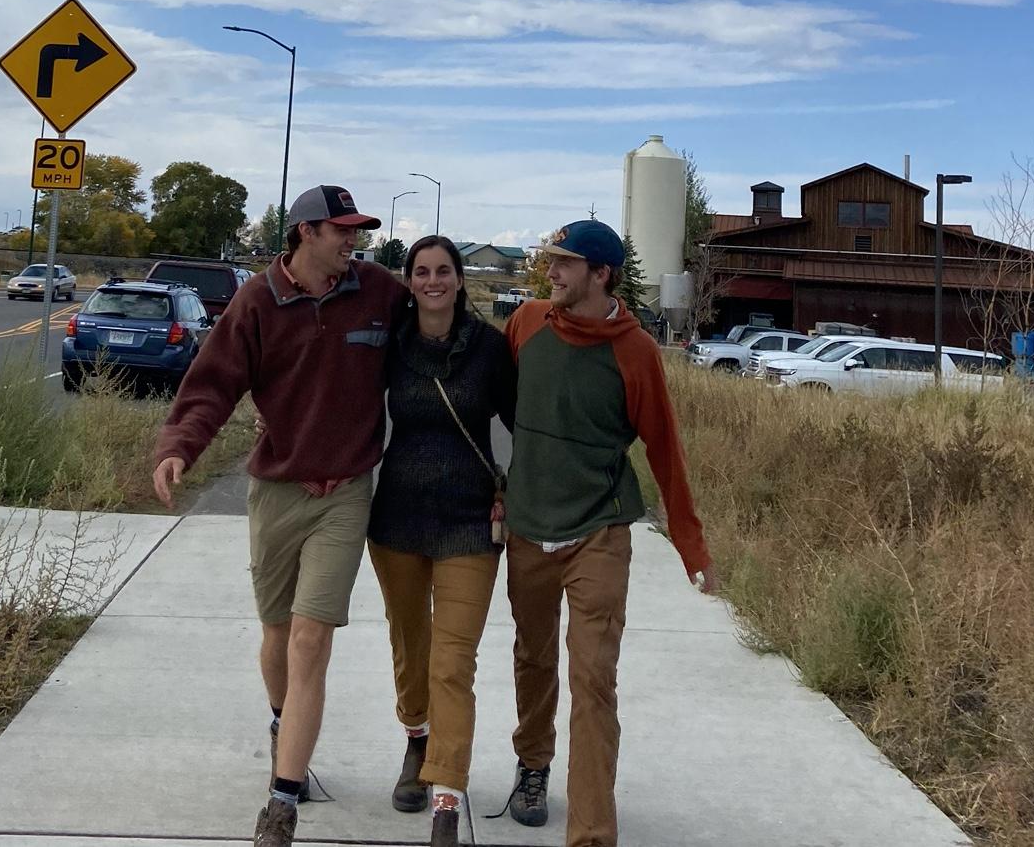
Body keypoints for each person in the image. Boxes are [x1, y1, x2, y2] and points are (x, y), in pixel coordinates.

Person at [151, 184, 406, 847]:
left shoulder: (378, 290)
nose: (353, 242)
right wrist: (180, 447)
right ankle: (281, 722)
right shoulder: (257, 303)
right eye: (341, 231)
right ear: (304, 233)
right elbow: (212, 384)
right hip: (277, 490)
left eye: (356, 231)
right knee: (275, 638)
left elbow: (438, 326)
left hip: (344, 492)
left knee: (309, 639)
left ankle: (281, 804)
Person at [501, 219, 717, 847]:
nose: (552, 273)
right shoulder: (527, 324)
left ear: (601, 274)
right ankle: (533, 764)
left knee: (593, 677)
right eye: (551, 261)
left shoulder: (636, 351)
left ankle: (591, 833)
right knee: (533, 657)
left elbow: (665, 451)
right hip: (528, 523)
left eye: (565, 263)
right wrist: (493, 488)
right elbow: (495, 409)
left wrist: (691, 544)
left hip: (598, 529)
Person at [366, 236, 516, 847]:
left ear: (459, 280)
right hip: (397, 517)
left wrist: (514, 489)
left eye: (443, 271)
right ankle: (416, 740)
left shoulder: (488, 348)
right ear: (409, 281)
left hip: (469, 522)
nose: (432, 281)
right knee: (411, 645)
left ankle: (447, 795)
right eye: (421, 272)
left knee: (453, 661)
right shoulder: (390, 346)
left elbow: (521, 422)